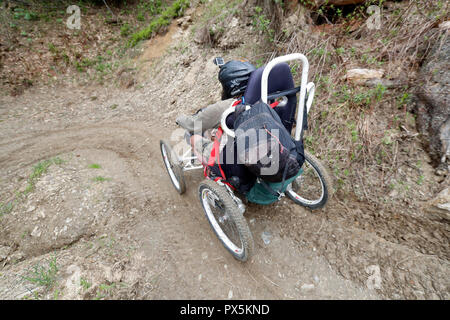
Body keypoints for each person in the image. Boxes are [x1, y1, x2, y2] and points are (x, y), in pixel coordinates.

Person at [176, 59, 256, 165]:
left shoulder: (227, 106)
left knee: (194, 138)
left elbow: (193, 124)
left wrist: (179, 118)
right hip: (259, 145)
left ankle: (212, 170)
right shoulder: (265, 98)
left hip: (235, 156)